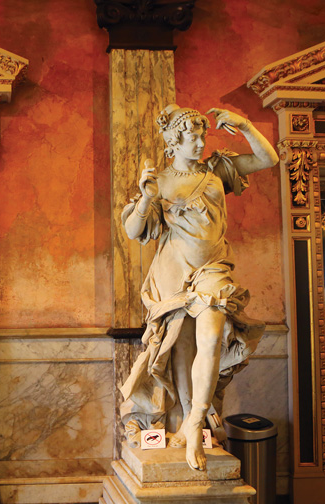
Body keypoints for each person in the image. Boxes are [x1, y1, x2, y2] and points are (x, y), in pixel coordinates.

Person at [121, 104, 279, 471]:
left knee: (211, 339)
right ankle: (177, 420)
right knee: (178, 351)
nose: (200, 142)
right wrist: (146, 197)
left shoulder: (217, 171)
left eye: (202, 136)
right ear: (174, 142)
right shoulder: (159, 181)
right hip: (173, 276)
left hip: (213, 271)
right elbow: (132, 232)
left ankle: (195, 423)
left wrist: (244, 124)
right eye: (191, 137)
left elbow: (266, 158)